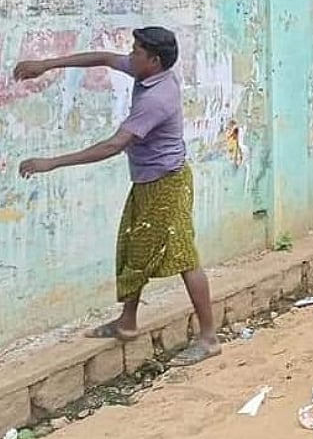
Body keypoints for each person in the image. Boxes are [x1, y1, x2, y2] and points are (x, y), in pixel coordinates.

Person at [13, 27, 220, 366]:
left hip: (168, 183)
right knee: (132, 248)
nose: (130, 55)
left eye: (136, 51)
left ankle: (209, 338)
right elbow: (104, 58)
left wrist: (51, 163)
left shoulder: (156, 99)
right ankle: (127, 322)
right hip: (149, 181)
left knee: (184, 256)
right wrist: (47, 65)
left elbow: (114, 145)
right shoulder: (148, 72)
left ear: (154, 60)